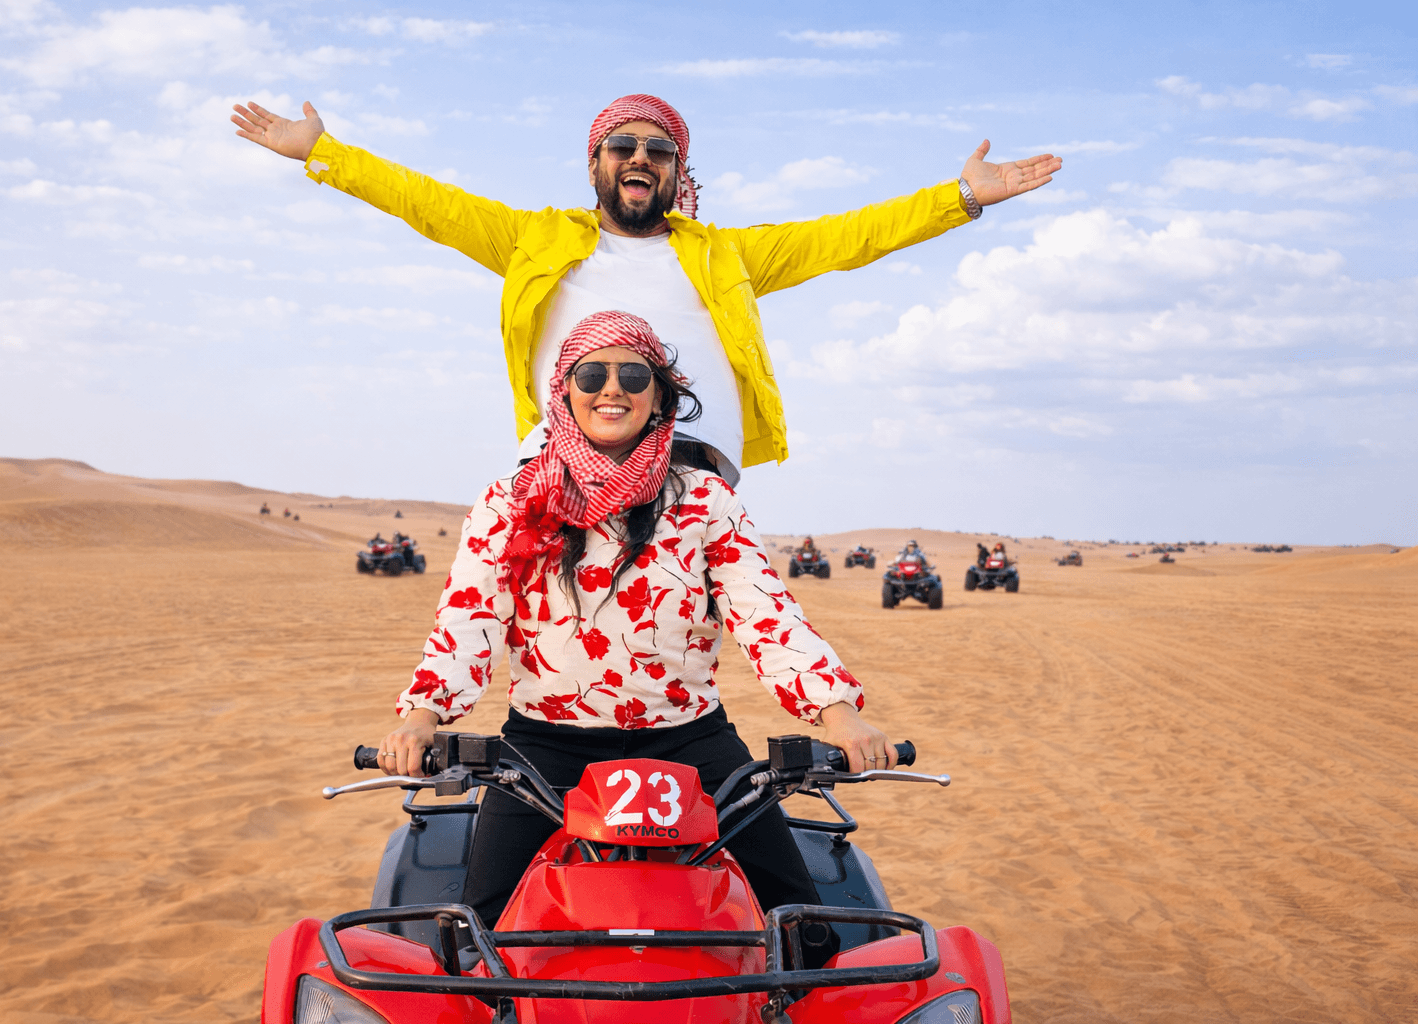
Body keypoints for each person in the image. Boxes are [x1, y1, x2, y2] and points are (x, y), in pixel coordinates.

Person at [377, 310, 899, 966]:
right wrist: (422, 718)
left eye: (633, 375)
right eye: (591, 374)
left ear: (659, 394)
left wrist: (840, 715)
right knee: (477, 941)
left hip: (691, 741)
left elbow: (766, 613)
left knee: (803, 930)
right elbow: (468, 617)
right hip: (545, 747)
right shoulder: (510, 502)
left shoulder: (705, 500)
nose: (611, 389)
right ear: (563, 389)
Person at [231, 95, 1062, 483]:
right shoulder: (533, 240)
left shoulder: (726, 255)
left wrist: (960, 199)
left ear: (675, 172)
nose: (639, 158)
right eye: (622, 146)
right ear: (595, 164)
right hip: (562, 466)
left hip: (695, 475)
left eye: (658, 150)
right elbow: (428, 204)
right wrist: (323, 154)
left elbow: (850, 236)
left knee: (682, 665)